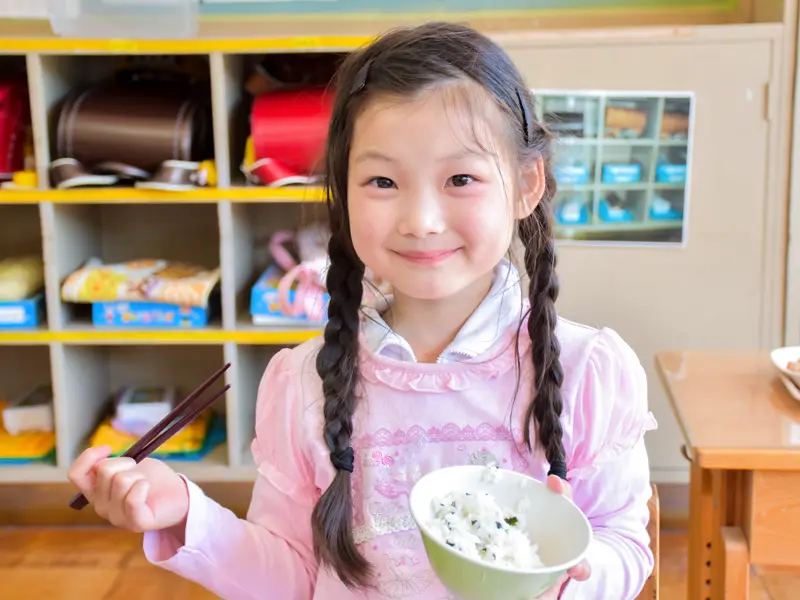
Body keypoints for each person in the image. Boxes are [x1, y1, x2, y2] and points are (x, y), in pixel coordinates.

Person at [68, 21, 657, 600]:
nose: (421, 219)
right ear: (342, 192)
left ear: (528, 184)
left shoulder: (588, 372)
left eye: (460, 177)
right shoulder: (304, 384)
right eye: (382, 180)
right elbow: (294, 576)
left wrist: (569, 576)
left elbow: (625, 545)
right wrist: (185, 512)